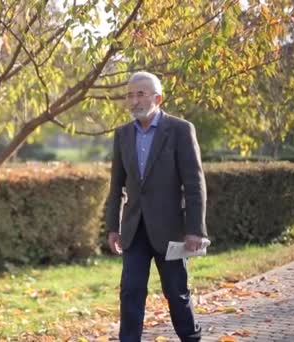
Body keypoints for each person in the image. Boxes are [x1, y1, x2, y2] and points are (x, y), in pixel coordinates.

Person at [105, 71, 207, 342]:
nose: (134, 100)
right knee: (130, 291)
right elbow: (116, 186)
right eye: (130, 94)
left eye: (141, 94)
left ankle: (191, 338)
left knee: (177, 292)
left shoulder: (180, 130)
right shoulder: (122, 134)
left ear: (158, 98)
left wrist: (195, 229)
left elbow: (194, 184)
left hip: (170, 230)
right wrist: (112, 227)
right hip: (134, 229)